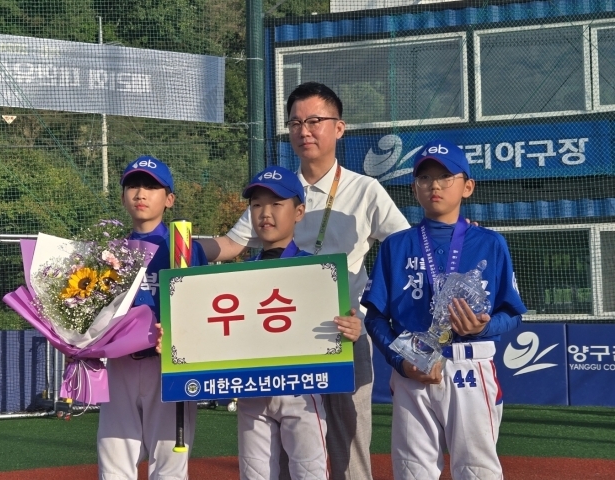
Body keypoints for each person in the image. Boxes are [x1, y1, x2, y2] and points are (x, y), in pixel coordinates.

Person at [196, 82, 411, 480]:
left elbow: (404, 250)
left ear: (339, 128)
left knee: (350, 447)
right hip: (281, 337)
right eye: (295, 123)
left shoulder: (366, 190)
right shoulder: (278, 191)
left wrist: (369, 311)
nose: (304, 130)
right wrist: (179, 246)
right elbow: (231, 244)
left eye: (314, 121)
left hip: (344, 333)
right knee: (281, 454)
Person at [361, 140, 527, 480]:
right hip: (413, 367)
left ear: (467, 186)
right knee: (411, 471)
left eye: (445, 176)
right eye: (424, 177)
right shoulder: (397, 245)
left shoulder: (490, 242)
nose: (434, 185)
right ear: (414, 188)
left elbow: (512, 314)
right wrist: (399, 362)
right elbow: (376, 316)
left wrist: (482, 328)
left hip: (469, 363)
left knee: (477, 469)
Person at [235, 165, 360, 480]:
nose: (265, 212)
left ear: (299, 211)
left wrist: (351, 330)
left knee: (310, 473)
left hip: (302, 392)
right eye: (257, 204)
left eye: (277, 203)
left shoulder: (318, 270)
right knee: (254, 476)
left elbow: (341, 325)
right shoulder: (234, 276)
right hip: (252, 390)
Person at [97, 155, 208, 480]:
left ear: (169, 199)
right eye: (133, 185)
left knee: (169, 467)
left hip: (169, 367)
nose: (141, 193)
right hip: (120, 367)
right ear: (122, 196)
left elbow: (201, 310)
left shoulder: (184, 247)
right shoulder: (109, 251)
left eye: (151, 186)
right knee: (113, 462)